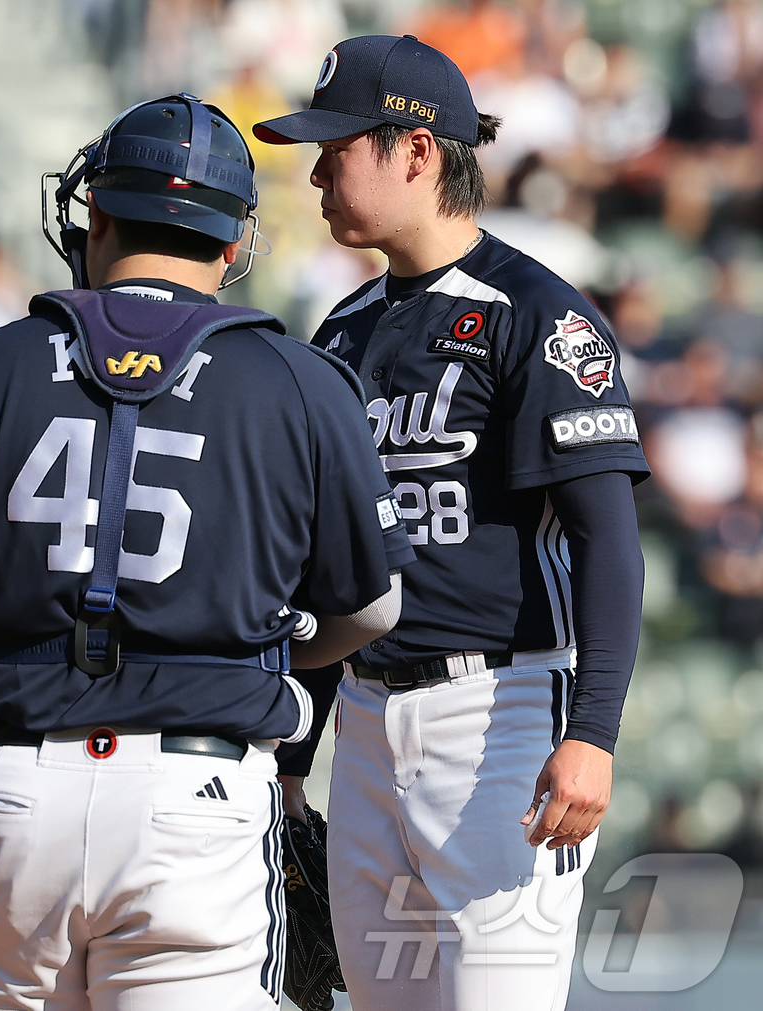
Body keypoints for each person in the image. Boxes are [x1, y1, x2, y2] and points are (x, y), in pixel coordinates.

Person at [0, 94, 415, 1010]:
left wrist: (18, 660)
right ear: (233, 245)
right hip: (196, 791)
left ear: (98, 215)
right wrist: (257, 649)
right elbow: (373, 607)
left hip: (14, 778)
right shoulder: (306, 381)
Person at [254, 35, 649, 1011]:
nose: (315, 176)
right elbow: (324, 572)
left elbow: (606, 537)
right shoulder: (341, 330)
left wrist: (593, 734)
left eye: (336, 149)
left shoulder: (535, 315)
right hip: (363, 721)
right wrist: (294, 765)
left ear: (416, 151)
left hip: (499, 718)